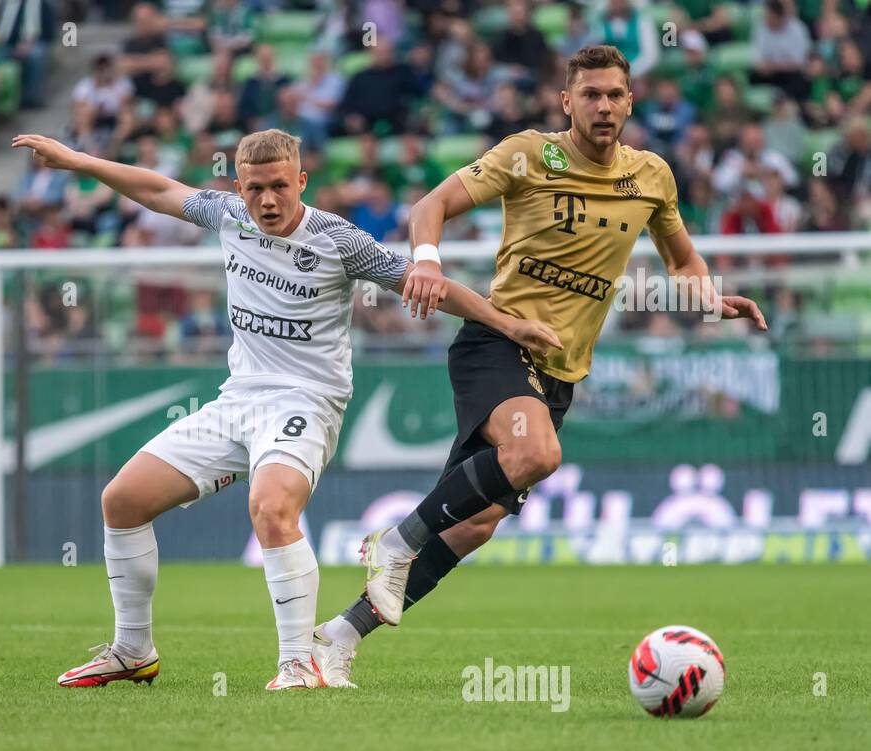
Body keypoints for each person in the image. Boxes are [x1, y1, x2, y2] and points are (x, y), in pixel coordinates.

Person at [11, 128, 558, 691]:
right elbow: (155, 190)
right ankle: (133, 650)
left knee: (270, 509)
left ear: (301, 180)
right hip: (238, 399)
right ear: (238, 187)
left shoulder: (338, 240)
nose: (267, 201)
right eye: (254, 189)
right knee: (121, 501)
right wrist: (76, 159)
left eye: (278, 186)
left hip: (307, 401)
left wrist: (509, 323)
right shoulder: (228, 215)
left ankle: (299, 664)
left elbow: (431, 287)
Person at [317, 45, 768, 688]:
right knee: (536, 455)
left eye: (614, 94)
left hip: (560, 373)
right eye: (590, 94)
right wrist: (425, 259)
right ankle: (391, 543)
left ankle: (338, 637)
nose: (604, 105)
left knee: (475, 524)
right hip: (496, 341)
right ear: (567, 101)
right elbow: (430, 206)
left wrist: (708, 295)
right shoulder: (528, 154)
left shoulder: (652, 177)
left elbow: (681, 261)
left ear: (630, 101)